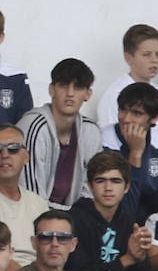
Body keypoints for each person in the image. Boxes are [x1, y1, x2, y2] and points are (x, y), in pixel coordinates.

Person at [18, 58, 102, 209]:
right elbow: (31, 196)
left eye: (77, 87)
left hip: (73, 219)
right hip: (32, 215)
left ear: (88, 94)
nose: (70, 93)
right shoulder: (34, 126)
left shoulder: (90, 131)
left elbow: (93, 189)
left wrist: (77, 217)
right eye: (63, 86)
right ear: (52, 89)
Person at [67, 151, 153, 271]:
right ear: (90, 186)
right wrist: (127, 260)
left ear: (126, 187)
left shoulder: (130, 223)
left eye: (115, 181)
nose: (108, 188)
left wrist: (140, 257)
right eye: (100, 181)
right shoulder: (74, 220)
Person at [0, 125, 49, 269]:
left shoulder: (39, 203)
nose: (5, 155)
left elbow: (50, 251)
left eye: (13, 148)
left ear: (26, 156)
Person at [97, 24, 158, 151]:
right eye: (146, 54)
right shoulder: (115, 94)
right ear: (129, 58)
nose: (154, 60)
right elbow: (111, 140)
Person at [104, 82, 158, 223]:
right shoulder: (104, 142)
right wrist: (135, 154)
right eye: (123, 110)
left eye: (136, 113)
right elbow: (124, 208)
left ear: (154, 118)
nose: (126, 119)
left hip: (150, 226)